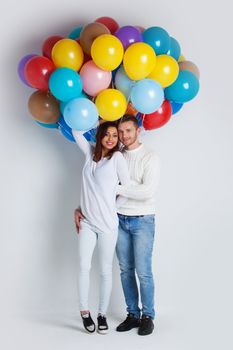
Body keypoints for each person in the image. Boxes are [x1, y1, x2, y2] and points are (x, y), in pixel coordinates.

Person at [75, 114, 160, 336]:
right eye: (115, 132)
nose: (119, 136)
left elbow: (139, 190)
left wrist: (112, 200)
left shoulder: (142, 157)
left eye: (123, 132)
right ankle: (128, 314)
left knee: (142, 271)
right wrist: (99, 121)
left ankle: (146, 316)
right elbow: (95, 188)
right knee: (121, 270)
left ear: (137, 131)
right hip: (110, 220)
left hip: (137, 219)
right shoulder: (103, 153)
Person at [72, 121, 130, 335]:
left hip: (107, 225)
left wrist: (111, 208)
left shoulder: (117, 158)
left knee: (105, 270)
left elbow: (127, 189)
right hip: (87, 222)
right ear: (99, 135)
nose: (110, 138)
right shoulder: (90, 153)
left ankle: (102, 314)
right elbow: (77, 130)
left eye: (114, 135)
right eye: (106, 134)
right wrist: (98, 121)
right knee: (84, 266)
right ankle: (84, 311)